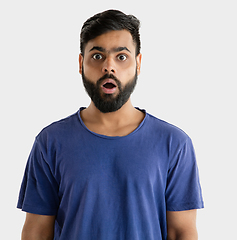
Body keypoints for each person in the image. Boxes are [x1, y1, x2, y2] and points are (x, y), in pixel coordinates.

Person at [17, 9, 204, 240]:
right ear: (80, 63)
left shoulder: (174, 144)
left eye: (121, 56)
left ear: (138, 63)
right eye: (97, 56)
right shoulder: (50, 142)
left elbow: (181, 231)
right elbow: (36, 231)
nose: (109, 67)